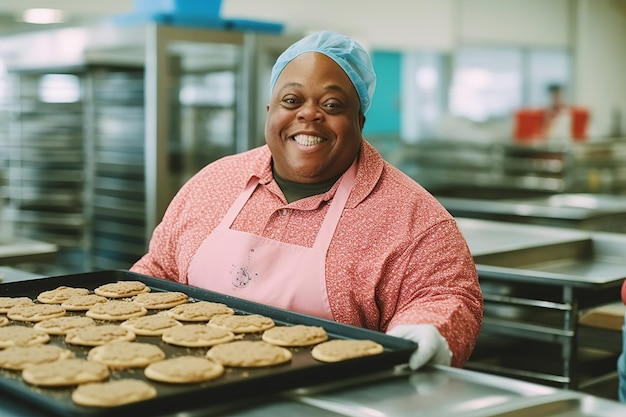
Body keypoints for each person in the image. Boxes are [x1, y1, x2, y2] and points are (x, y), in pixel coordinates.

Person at [131, 31, 483, 370]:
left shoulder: (413, 218)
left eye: (332, 104)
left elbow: (444, 298)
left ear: (359, 120)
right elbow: (160, 271)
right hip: (189, 385)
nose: (309, 114)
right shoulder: (213, 183)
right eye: (292, 101)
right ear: (270, 110)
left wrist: (428, 330)